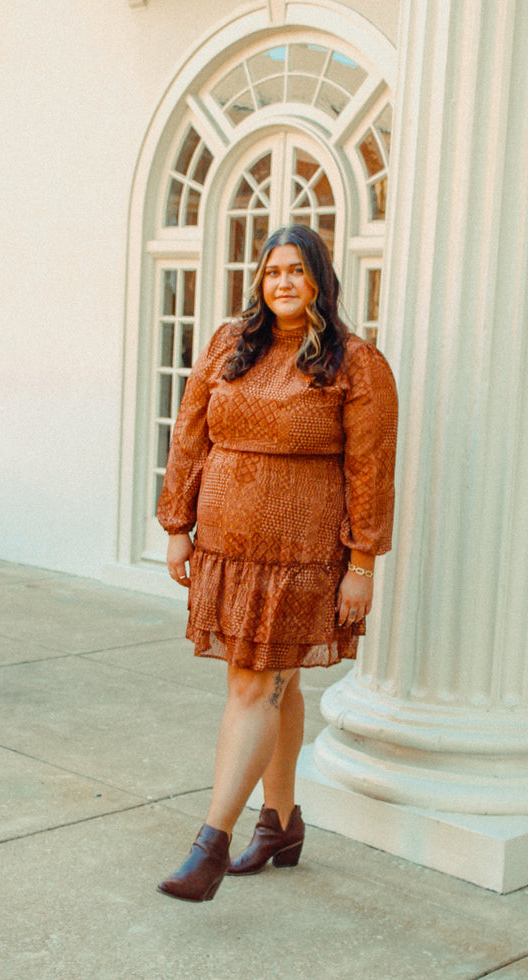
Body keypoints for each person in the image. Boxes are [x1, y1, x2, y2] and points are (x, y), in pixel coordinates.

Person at [156, 224, 398, 902]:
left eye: (297, 269)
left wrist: (362, 563)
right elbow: (191, 432)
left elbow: (370, 469)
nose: (283, 281)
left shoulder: (355, 362)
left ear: (320, 278)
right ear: (260, 281)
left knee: (254, 686)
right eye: (272, 271)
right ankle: (282, 823)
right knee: (276, 686)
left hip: (304, 554)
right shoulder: (229, 345)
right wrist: (178, 523)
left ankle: (211, 843)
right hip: (229, 549)